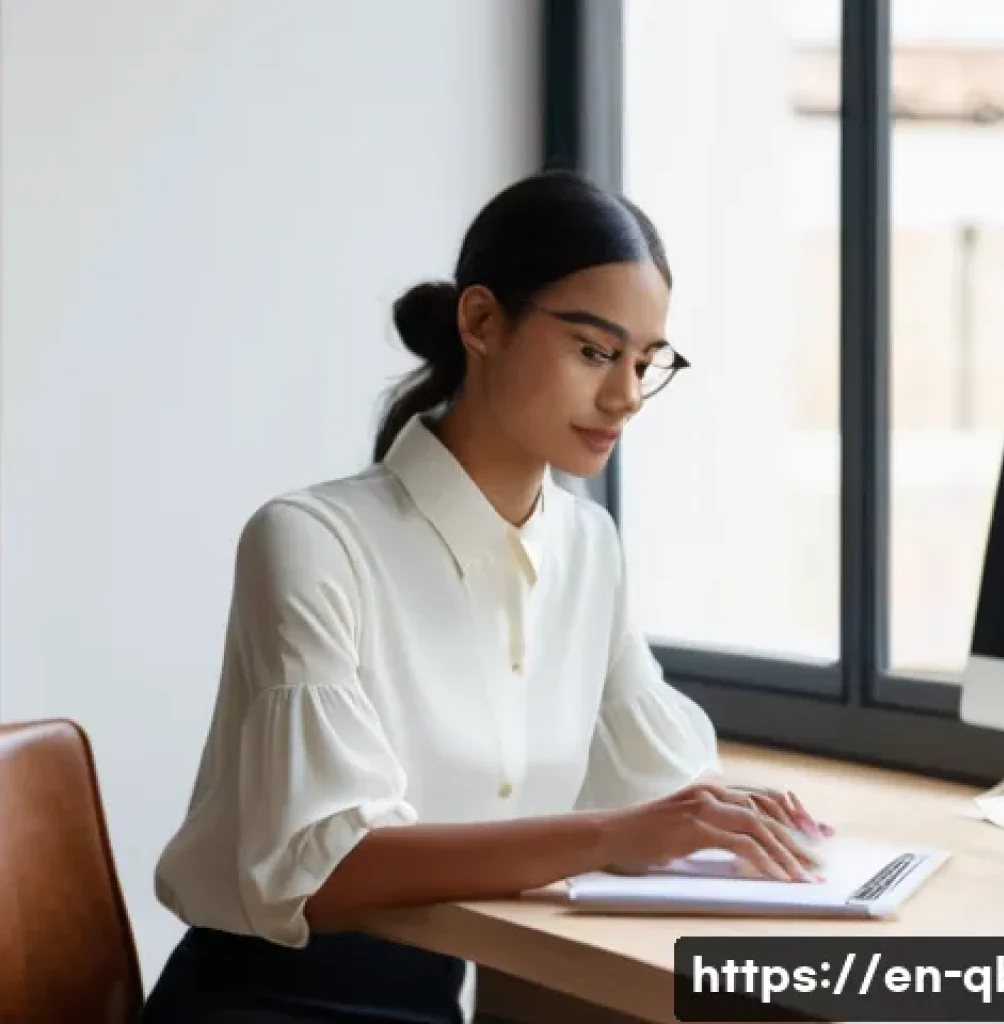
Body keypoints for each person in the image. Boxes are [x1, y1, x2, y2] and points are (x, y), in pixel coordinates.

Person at [139, 169, 832, 1024]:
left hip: (438, 1002)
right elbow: (326, 875)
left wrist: (749, 827)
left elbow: (654, 782)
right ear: (480, 322)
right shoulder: (311, 541)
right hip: (262, 1006)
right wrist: (614, 837)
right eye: (594, 351)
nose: (624, 397)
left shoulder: (590, 551)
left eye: (646, 363)